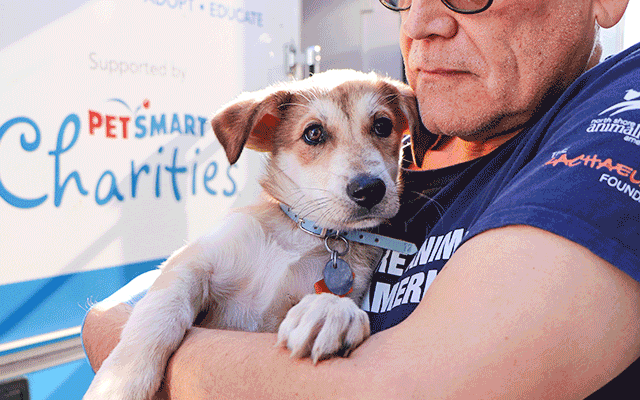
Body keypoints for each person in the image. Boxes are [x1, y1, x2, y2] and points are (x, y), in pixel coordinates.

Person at [83, 0, 640, 398]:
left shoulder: (617, 115)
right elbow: (146, 297)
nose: (418, 25)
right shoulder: (421, 143)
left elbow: (399, 388)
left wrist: (130, 345)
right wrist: (134, 325)